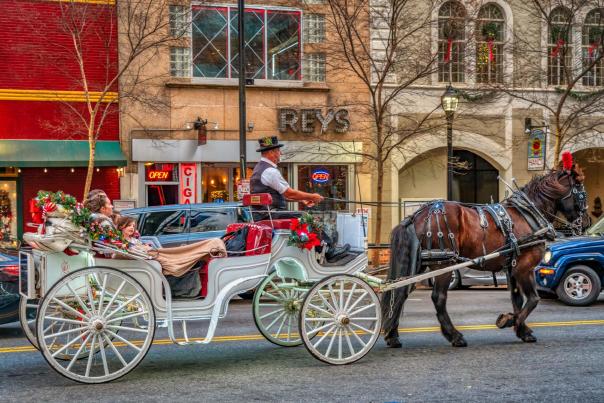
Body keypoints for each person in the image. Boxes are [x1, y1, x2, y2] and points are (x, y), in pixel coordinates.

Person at [250, 136, 324, 214]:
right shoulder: (270, 171)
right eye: (278, 151)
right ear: (271, 152)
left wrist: (302, 199)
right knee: (305, 217)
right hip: (271, 214)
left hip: (262, 214)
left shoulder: (258, 168)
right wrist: (313, 196)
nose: (281, 153)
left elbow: (278, 195)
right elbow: (289, 193)